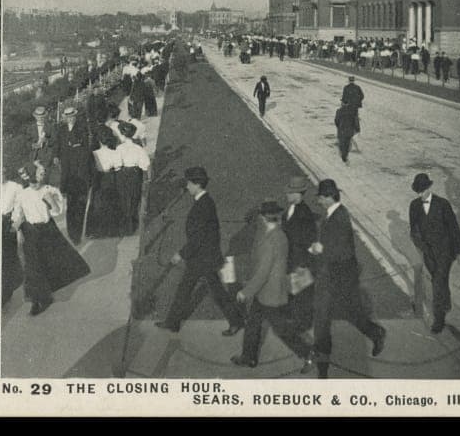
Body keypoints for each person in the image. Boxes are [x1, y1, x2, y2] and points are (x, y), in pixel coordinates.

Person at [309, 179, 386, 378]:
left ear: (329, 197)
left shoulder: (340, 217)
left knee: (324, 319)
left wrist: (320, 249)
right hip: (334, 276)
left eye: (320, 197)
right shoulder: (333, 214)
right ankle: (375, 332)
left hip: (337, 277)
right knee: (343, 314)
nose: (318, 201)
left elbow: (341, 251)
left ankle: (322, 366)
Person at [155, 167, 245, 336]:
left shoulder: (203, 205)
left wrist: (180, 254)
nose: (187, 186)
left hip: (203, 258)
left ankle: (235, 321)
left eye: (189, 183)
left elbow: (197, 238)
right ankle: (173, 322)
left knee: (211, 291)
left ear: (197, 184)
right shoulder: (204, 201)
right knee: (192, 289)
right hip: (203, 257)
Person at [231, 201, 313, 371]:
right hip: (268, 291)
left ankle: (308, 354)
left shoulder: (271, 240)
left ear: (262, 218)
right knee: (253, 324)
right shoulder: (278, 234)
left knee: (282, 330)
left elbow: (263, 272)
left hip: (270, 294)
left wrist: (245, 292)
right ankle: (248, 357)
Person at [12, 162, 91, 316]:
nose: (42, 176)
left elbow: (57, 211)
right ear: (32, 176)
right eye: (40, 174)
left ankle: (47, 292)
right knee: (32, 266)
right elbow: (18, 213)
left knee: (50, 262)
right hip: (31, 231)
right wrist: (16, 227)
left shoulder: (48, 190)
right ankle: (37, 300)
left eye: (42, 174)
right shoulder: (22, 194)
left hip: (48, 230)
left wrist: (51, 202)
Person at [408, 173, 460, 333]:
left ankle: (439, 319)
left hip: (445, 251)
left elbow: (453, 227)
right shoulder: (414, 206)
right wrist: (422, 247)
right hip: (428, 252)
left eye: (423, 190)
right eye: (418, 191)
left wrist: (459, 251)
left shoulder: (443, 204)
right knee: (438, 279)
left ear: (429, 188)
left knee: (438, 282)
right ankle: (445, 304)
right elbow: (414, 230)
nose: (420, 194)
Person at [281, 176, 318, 331]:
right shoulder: (291, 208)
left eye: (290, 192)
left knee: (301, 294)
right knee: (292, 291)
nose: (286, 194)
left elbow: (309, 239)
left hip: (298, 259)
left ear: (298, 194)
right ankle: (293, 319)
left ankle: (302, 324)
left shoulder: (304, 214)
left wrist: (303, 264)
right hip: (290, 258)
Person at [55, 107, 93, 244]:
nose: (70, 118)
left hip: (81, 174)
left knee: (81, 206)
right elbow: (58, 146)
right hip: (68, 174)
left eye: (72, 116)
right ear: (64, 117)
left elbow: (85, 149)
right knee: (71, 206)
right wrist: (57, 156)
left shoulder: (82, 128)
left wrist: (74, 148)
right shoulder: (61, 130)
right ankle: (72, 234)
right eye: (67, 117)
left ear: (75, 117)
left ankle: (77, 235)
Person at [115, 122, 151, 235]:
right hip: (135, 173)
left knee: (124, 197)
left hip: (123, 173)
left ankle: (126, 224)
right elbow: (146, 164)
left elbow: (117, 164)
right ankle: (133, 224)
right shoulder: (138, 148)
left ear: (123, 134)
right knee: (135, 197)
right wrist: (148, 178)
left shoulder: (119, 148)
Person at [0, 168, 25, 306]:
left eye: (2, 172)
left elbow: (19, 207)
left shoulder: (15, 187)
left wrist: (16, 225)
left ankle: (7, 292)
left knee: (8, 258)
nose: (0, 175)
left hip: (8, 224)